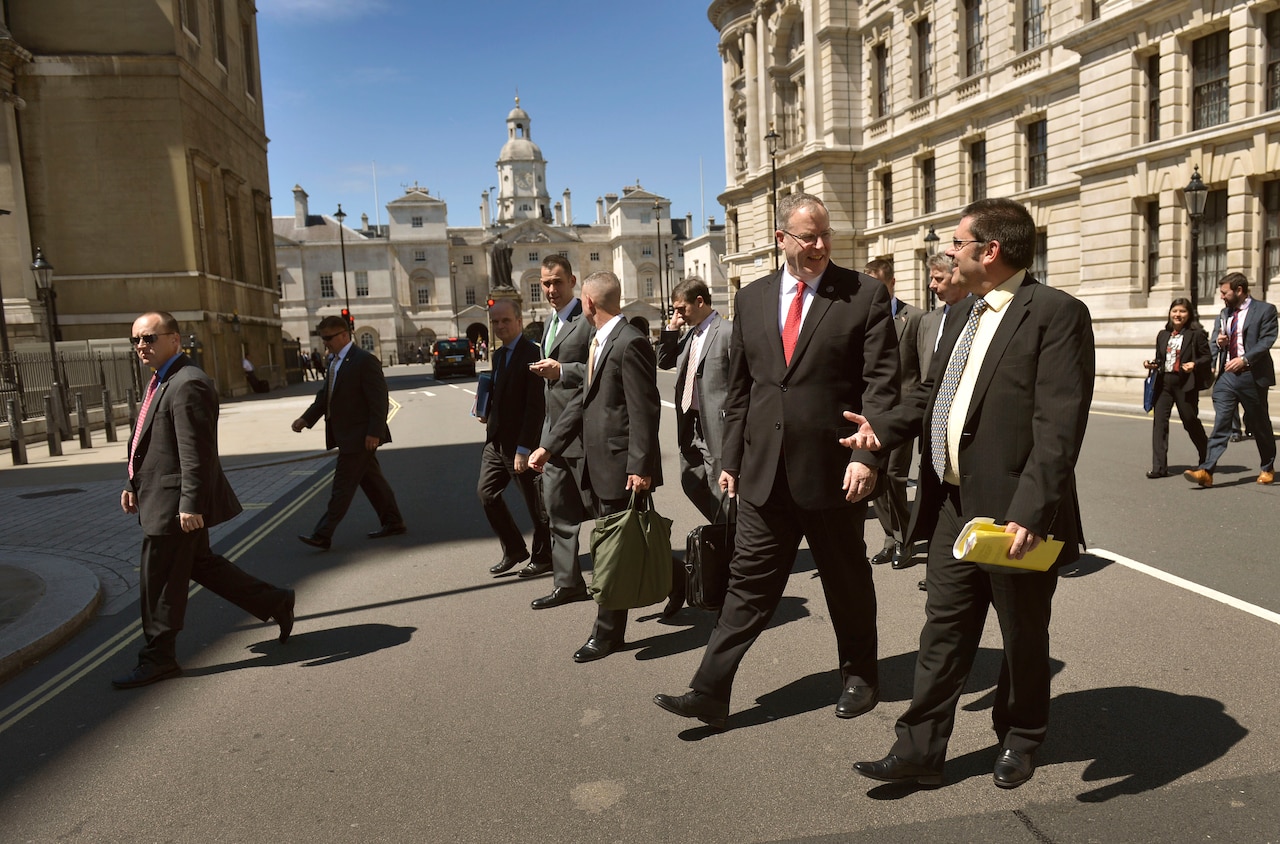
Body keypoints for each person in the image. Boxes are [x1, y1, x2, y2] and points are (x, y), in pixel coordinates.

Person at [844, 197, 1095, 790]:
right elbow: (931, 395)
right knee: (943, 633)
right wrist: (880, 433)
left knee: (1022, 635)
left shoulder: (1056, 313)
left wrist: (1032, 511)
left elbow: (1058, 428)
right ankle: (919, 750)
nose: (949, 253)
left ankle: (1022, 735)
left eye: (958, 243)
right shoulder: (960, 314)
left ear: (991, 251)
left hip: (1015, 513)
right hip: (954, 506)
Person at [652, 192, 899, 729]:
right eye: (807, 236)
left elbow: (883, 385)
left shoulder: (863, 295)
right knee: (747, 584)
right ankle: (709, 690)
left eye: (825, 234)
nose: (819, 245)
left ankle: (860, 675)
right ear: (782, 238)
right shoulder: (754, 298)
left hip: (836, 472)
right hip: (765, 474)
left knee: (846, 580)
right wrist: (733, 458)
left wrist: (869, 455)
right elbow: (741, 389)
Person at [114, 311, 294, 689]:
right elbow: (148, 442)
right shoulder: (162, 380)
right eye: (136, 340)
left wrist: (190, 505)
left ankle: (159, 658)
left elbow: (196, 453)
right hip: (158, 496)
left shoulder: (188, 384)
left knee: (158, 582)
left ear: (175, 339)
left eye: (149, 338)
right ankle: (275, 602)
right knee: (203, 565)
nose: (141, 347)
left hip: (174, 506)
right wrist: (132, 482)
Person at [529, 271, 663, 662]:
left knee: (611, 552)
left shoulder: (630, 342)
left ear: (588, 303)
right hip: (599, 463)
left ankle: (606, 634)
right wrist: (548, 447)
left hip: (621, 466)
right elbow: (580, 404)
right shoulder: (601, 343)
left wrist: (640, 466)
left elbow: (645, 410)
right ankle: (681, 582)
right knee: (623, 545)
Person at [292, 315, 406, 549]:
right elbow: (326, 397)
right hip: (347, 435)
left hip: (360, 436)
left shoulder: (364, 361)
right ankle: (393, 522)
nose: (326, 343)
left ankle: (323, 534)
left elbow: (379, 400)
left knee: (342, 487)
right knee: (373, 481)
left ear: (345, 335)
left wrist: (374, 432)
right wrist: (306, 418)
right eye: (323, 338)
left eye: (329, 338)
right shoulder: (334, 362)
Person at [656, 276, 732, 616]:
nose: (678, 313)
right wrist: (671, 327)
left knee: (723, 491)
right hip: (692, 427)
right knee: (692, 482)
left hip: (719, 427)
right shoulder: (688, 334)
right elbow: (664, 361)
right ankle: (729, 534)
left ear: (700, 301)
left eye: (681, 307)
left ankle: (733, 556)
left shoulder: (727, 332)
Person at [526, 255, 594, 601]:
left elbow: (603, 368)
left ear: (573, 281)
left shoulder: (588, 319)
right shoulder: (549, 322)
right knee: (558, 511)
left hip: (583, 432)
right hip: (553, 434)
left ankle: (650, 575)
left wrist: (564, 371)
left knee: (608, 512)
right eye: (545, 283)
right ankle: (567, 583)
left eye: (557, 282)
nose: (551, 289)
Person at [898, 255, 968, 590]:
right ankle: (938, 566)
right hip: (927, 424)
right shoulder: (930, 320)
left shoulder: (977, 315)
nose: (931, 285)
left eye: (938, 278)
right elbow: (924, 380)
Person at [476, 299, 552, 576]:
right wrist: (485, 409)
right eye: (495, 322)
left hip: (521, 444)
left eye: (505, 320)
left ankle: (544, 557)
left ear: (519, 321)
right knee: (486, 494)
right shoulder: (497, 356)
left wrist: (523, 448)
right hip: (495, 441)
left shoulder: (531, 353)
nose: (500, 326)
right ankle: (515, 549)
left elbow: (535, 406)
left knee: (536, 505)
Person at [1184, 272, 1277, 487]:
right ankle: (1206, 471)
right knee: (1221, 422)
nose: (1222, 297)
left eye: (1225, 293)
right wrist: (1219, 342)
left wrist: (1244, 360)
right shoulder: (1224, 313)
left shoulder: (1265, 310)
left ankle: (1267, 466)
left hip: (1252, 375)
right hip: (1227, 376)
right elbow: (1214, 345)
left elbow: (1266, 341)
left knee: (1259, 423)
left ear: (1239, 290)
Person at [864, 258, 921, 570]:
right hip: (871, 414)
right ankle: (890, 537)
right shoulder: (863, 318)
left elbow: (924, 371)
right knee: (875, 477)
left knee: (896, 477)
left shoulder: (913, 318)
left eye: (878, 287)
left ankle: (905, 542)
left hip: (902, 412)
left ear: (892, 283)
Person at [1143, 298, 1211, 478]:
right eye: (1175, 311)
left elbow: (1207, 357)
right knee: (1160, 423)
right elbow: (1160, 359)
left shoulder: (1196, 334)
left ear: (1189, 315)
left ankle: (1207, 456)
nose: (1178, 315)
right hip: (1164, 383)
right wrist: (1152, 364)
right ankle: (1159, 467)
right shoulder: (1163, 335)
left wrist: (1194, 364)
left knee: (1189, 420)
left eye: (1182, 311)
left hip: (1185, 383)